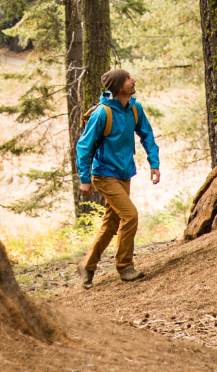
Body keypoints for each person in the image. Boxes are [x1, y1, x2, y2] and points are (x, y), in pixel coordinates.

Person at [74, 68, 161, 287]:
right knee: (130, 215)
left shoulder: (134, 107)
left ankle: (87, 265)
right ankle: (125, 267)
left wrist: (154, 163)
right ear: (118, 86)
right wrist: (84, 178)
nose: (133, 81)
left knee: (111, 224)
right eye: (128, 79)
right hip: (103, 174)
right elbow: (84, 146)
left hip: (124, 174)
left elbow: (147, 134)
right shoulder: (102, 113)